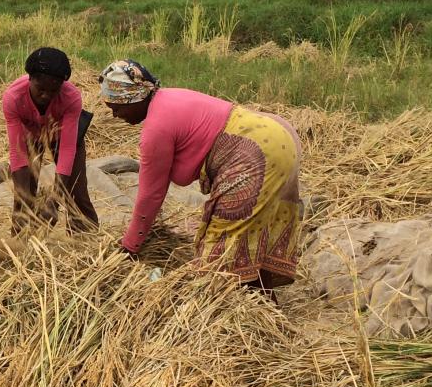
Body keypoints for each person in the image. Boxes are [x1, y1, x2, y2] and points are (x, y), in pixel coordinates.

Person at [99, 59, 302, 290]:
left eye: (116, 107)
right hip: (279, 138)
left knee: (219, 252)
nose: (115, 115)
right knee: (251, 231)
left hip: (254, 154)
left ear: (133, 97)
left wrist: (129, 246)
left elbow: (150, 195)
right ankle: (265, 305)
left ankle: (236, 314)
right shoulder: (170, 96)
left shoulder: (156, 128)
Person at [2, 47, 98, 233]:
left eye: (54, 90)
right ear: (30, 79)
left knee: (76, 191)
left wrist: (55, 201)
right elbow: (17, 152)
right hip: (30, 137)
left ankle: (85, 241)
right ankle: (20, 243)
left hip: (64, 137)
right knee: (23, 196)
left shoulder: (71, 97)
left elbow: (68, 150)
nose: (46, 95)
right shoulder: (13, 98)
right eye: (41, 89)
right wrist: (22, 199)